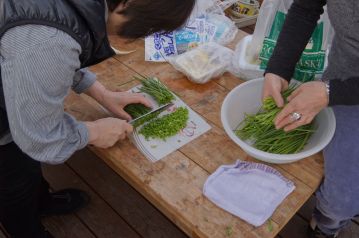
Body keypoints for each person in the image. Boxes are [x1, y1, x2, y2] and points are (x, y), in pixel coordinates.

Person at [0, 0, 195, 237]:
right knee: (13, 180)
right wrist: (94, 132)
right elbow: (38, 138)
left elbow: (52, 57)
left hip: (14, 75)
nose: (142, 36)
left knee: (26, 170)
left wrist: (102, 94)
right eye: (147, 26)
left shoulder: (70, 17)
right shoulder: (48, 41)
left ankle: (40, 201)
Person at [262, 0, 359, 237]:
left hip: (342, 89)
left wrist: (329, 92)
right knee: (340, 200)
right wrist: (278, 68)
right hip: (344, 74)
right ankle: (325, 225)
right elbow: (306, 7)